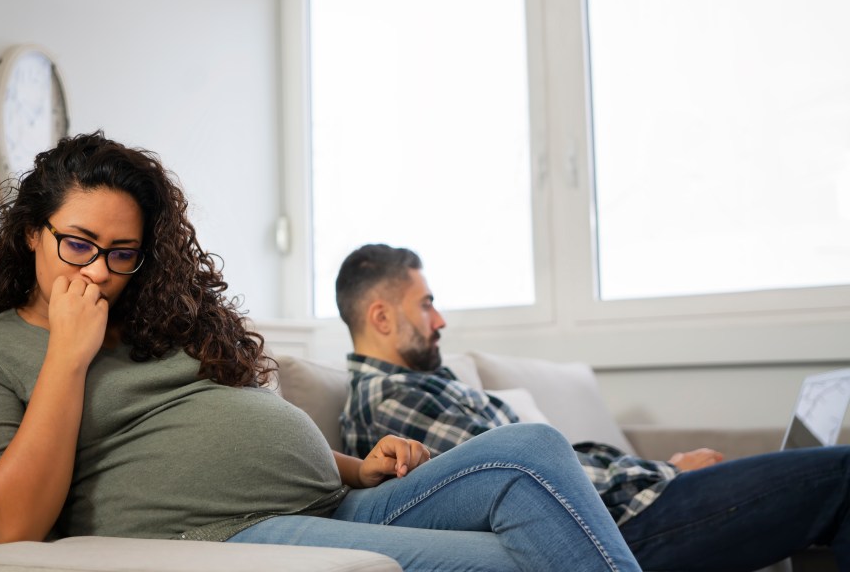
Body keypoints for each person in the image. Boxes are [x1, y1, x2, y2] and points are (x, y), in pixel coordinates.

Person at [0, 133, 643, 572]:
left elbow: (239, 422)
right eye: (78, 244)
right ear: (31, 231)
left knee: (534, 450)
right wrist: (67, 354)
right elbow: (14, 525)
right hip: (229, 534)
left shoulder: (163, 321)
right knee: (531, 558)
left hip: (340, 499)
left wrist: (356, 464)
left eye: (122, 253)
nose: (98, 271)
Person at [336, 243, 850, 572]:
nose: (439, 319)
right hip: (619, 528)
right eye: (425, 303)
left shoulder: (431, 384)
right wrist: (666, 471)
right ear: (380, 316)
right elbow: (521, 483)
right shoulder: (394, 400)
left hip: (635, 503)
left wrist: (661, 470)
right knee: (841, 475)